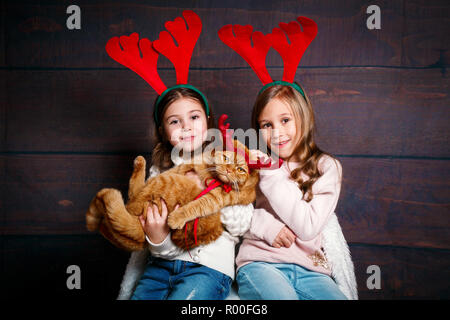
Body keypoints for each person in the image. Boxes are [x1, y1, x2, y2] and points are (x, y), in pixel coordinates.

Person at [118, 87, 253, 300]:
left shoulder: (226, 160)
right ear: (162, 130)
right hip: (160, 267)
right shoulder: (158, 174)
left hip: (208, 269)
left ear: (208, 121)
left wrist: (211, 193)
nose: (186, 127)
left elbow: (242, 224)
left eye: (194, 117)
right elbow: (156, 234)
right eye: (174, 121)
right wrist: (158, 238)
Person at [235, 83, 355, 300]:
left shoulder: (327, 167)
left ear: (304, 116)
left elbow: (307, 227)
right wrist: (267, 226)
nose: (277, 132)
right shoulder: (253, 163)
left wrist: (271, 172)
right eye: (267, 125)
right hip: (261, 263)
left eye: (285, 120)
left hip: (312, 271)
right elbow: (232, 214)